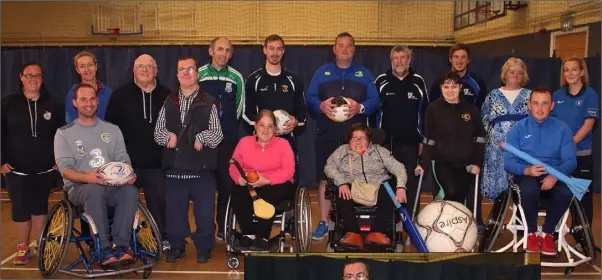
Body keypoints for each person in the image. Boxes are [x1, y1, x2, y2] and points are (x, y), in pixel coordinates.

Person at [305, 32, 380, 240]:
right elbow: (310, 99)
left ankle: (354, 221)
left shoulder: (364, 74)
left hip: (355, 140)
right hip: (327, 134)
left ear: (354, 49)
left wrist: (360, 107)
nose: (345, 49)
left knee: (357, 176)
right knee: (324, 177)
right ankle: (323, 221)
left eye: (349, 46)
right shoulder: (322, 73)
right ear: (334, 48)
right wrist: (320, 105)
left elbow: (375, 101)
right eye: (341, 45)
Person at [54, 84, 138, 266]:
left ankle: (121, 247)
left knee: (130, 191)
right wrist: (87, 177)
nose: (88, 103)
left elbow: (123, 158)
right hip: (80, 188)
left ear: (97, 101)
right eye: (83, 99)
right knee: (94, 190)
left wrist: (129, 174)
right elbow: (65, 169)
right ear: (75, 103)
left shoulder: (113, 129)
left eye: (92, 99)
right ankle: (104, 249)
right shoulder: (64, 133)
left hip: (111, 186)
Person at [155, 56, 223, 263]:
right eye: (182, 69)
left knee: (204, 213)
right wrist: (168, 137)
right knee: (175, 211)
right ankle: (177, 246)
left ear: (197, 73)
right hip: (175, 168)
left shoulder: (209, 101)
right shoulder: (168, 101)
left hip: (202, 169)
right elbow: (158, 132)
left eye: (190, 69)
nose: (186, 73)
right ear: (177, 75)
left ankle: (203, 246)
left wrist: (202, 137)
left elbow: (217, 134)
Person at [105, 54, 171, 251]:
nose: (145, 70)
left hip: (157, 164)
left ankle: (161, 238)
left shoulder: (168, 95)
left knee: (159, 205)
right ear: (133, 70)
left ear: (156, 70)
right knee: (123, 205)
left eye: (149, 66)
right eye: (140, 66)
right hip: (127, 163)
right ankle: (122, 242)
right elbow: (110, 128)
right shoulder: (120, 95)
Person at [1, 62, 65, 265]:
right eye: (29, 76)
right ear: (21, 77)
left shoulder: (54, 102)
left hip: (45, 168)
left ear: (42, 78)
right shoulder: (7, 102)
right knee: (19, 208)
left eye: (37, 76)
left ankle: (38, 244)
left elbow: (61, 134)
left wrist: (59, 159)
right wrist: (1, 161)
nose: (33, 79)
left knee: (39, 207)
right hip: (15, 169)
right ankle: (22, 248)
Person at [504, 87, 577, 256]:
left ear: (552, 106)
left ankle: (547, 234)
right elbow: (508, 163)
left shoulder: (563, 129)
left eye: (545, 103)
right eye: (536, 103)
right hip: (526, 175)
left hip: (555, 173)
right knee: (529, 189)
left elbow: (570, 161)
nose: (540, 108)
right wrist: (526, 170)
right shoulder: (518, 129)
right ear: (529, 105)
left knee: (567, 191)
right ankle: (530, 234)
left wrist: (555, 175)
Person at [429, 43, 488, 228]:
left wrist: (476, 158)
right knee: (450, 190)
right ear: (450, 59)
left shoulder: (477, 84)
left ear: (468, 60)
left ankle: (471, 222)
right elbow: (433, 118)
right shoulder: (437, 91)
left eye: (463, 57)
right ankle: (441, 224)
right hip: (443, 155)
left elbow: (479, 119)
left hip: (467, 152)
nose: (460, 60)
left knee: (465, 192)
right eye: (456, 57)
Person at [324, 123, 407, 248]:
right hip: (352, 187)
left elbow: (398, 167)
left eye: (362, 138)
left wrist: (401, 187)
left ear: (369, 141)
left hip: (377, 187)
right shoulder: (342, 151)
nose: (358, 141)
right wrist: (340, 181)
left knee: (389, 186)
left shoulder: (379, 151)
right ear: (349, 140)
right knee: (340, 189)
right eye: (354, 138)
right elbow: (329, 167)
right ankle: (353, 233)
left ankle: (376, 232)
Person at [197, 37, 245, 242]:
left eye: (227, 51)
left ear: (231, 54)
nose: (223, 54)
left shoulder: (236, 77)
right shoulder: (197, 74)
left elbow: (239, 108)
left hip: (227, 141)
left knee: (227, 186)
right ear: (210, 51)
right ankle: (205, 229)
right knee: (204, 188)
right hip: (202, 143)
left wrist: (225, 133)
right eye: (219, 49)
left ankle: (223, 227)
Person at [373, 45, 429, 218]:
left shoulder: (418, 81)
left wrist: (422, 139)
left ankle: (411, 220)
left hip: (411, 144)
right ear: (391, 61)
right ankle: (388, 222)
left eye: (403, 57)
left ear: (409, 60)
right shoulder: (381, 81)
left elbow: (426, 112)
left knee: (410, 182)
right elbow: (373, 112)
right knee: (387, 182)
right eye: (396, 58)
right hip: (386, 144)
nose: (399, 61)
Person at [229, 110, 296, 251]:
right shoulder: (244, 142)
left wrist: (267, 180)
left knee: (265, 194)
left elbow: (289, 171)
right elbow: (234, 164)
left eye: (270, 126)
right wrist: (239, 178)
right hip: (250, 182)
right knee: (237, 192)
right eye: (262, 125)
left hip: (277, 183)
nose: (265, 130)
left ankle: (263, 237)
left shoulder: (283, 144)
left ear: (275, 128)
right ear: (255, 125)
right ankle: (248, 234)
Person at [421, 71, 486, 204]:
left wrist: (477, 162)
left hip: (466, 164)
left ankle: (458, 225)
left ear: (460, 87)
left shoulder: (471, 109)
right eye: (446, 87)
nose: (450, 90)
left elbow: (480, 137)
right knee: (450, 192)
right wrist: (424, 164)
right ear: (441, 88)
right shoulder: (433, 109)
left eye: (454, 86)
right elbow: (428, 140)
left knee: (461, 196)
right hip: (441, 162)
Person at [551, 57, 599, 230]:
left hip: (581, 156)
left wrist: (569, 146)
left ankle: (583, 238)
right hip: (560, 159)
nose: (570, 73)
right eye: (566, 70)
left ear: (582, 72)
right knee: (558, 197)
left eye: (574, 69)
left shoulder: (590, 94)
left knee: (583, 199)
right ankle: (553, 235)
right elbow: (552, 124)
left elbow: (588, 125)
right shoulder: (557, 95)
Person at [243, 35, 307, 158]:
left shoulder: (293, 80)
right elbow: (246, 114)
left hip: (287, 142)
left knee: (288, 176)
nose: (275, 53)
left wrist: (296, 122)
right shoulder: (253, 80)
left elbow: (302, 111)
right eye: (271, 48)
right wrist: (265, 128)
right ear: (265, 50)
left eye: (279, 49)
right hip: (261, 143)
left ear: (283, 51)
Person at [481, 58, 531, 201]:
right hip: (496, 150)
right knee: (498, 192)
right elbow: (484, 118)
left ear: (524, 76)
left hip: (522, 148)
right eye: (512, 72)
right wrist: (495, 136)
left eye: (519, 73)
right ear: (505, 74)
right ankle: (498, 220)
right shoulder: (493, 96)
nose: (515, 75)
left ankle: (519, 220)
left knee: (521, 189)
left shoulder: (530, 95)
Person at [65, 51, 112, 122]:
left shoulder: (109, 94)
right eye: (82, 66)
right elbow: (71, 124)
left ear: (96, 66)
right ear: (77, 70)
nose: (87, 69)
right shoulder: (72, 94)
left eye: (90, 65)